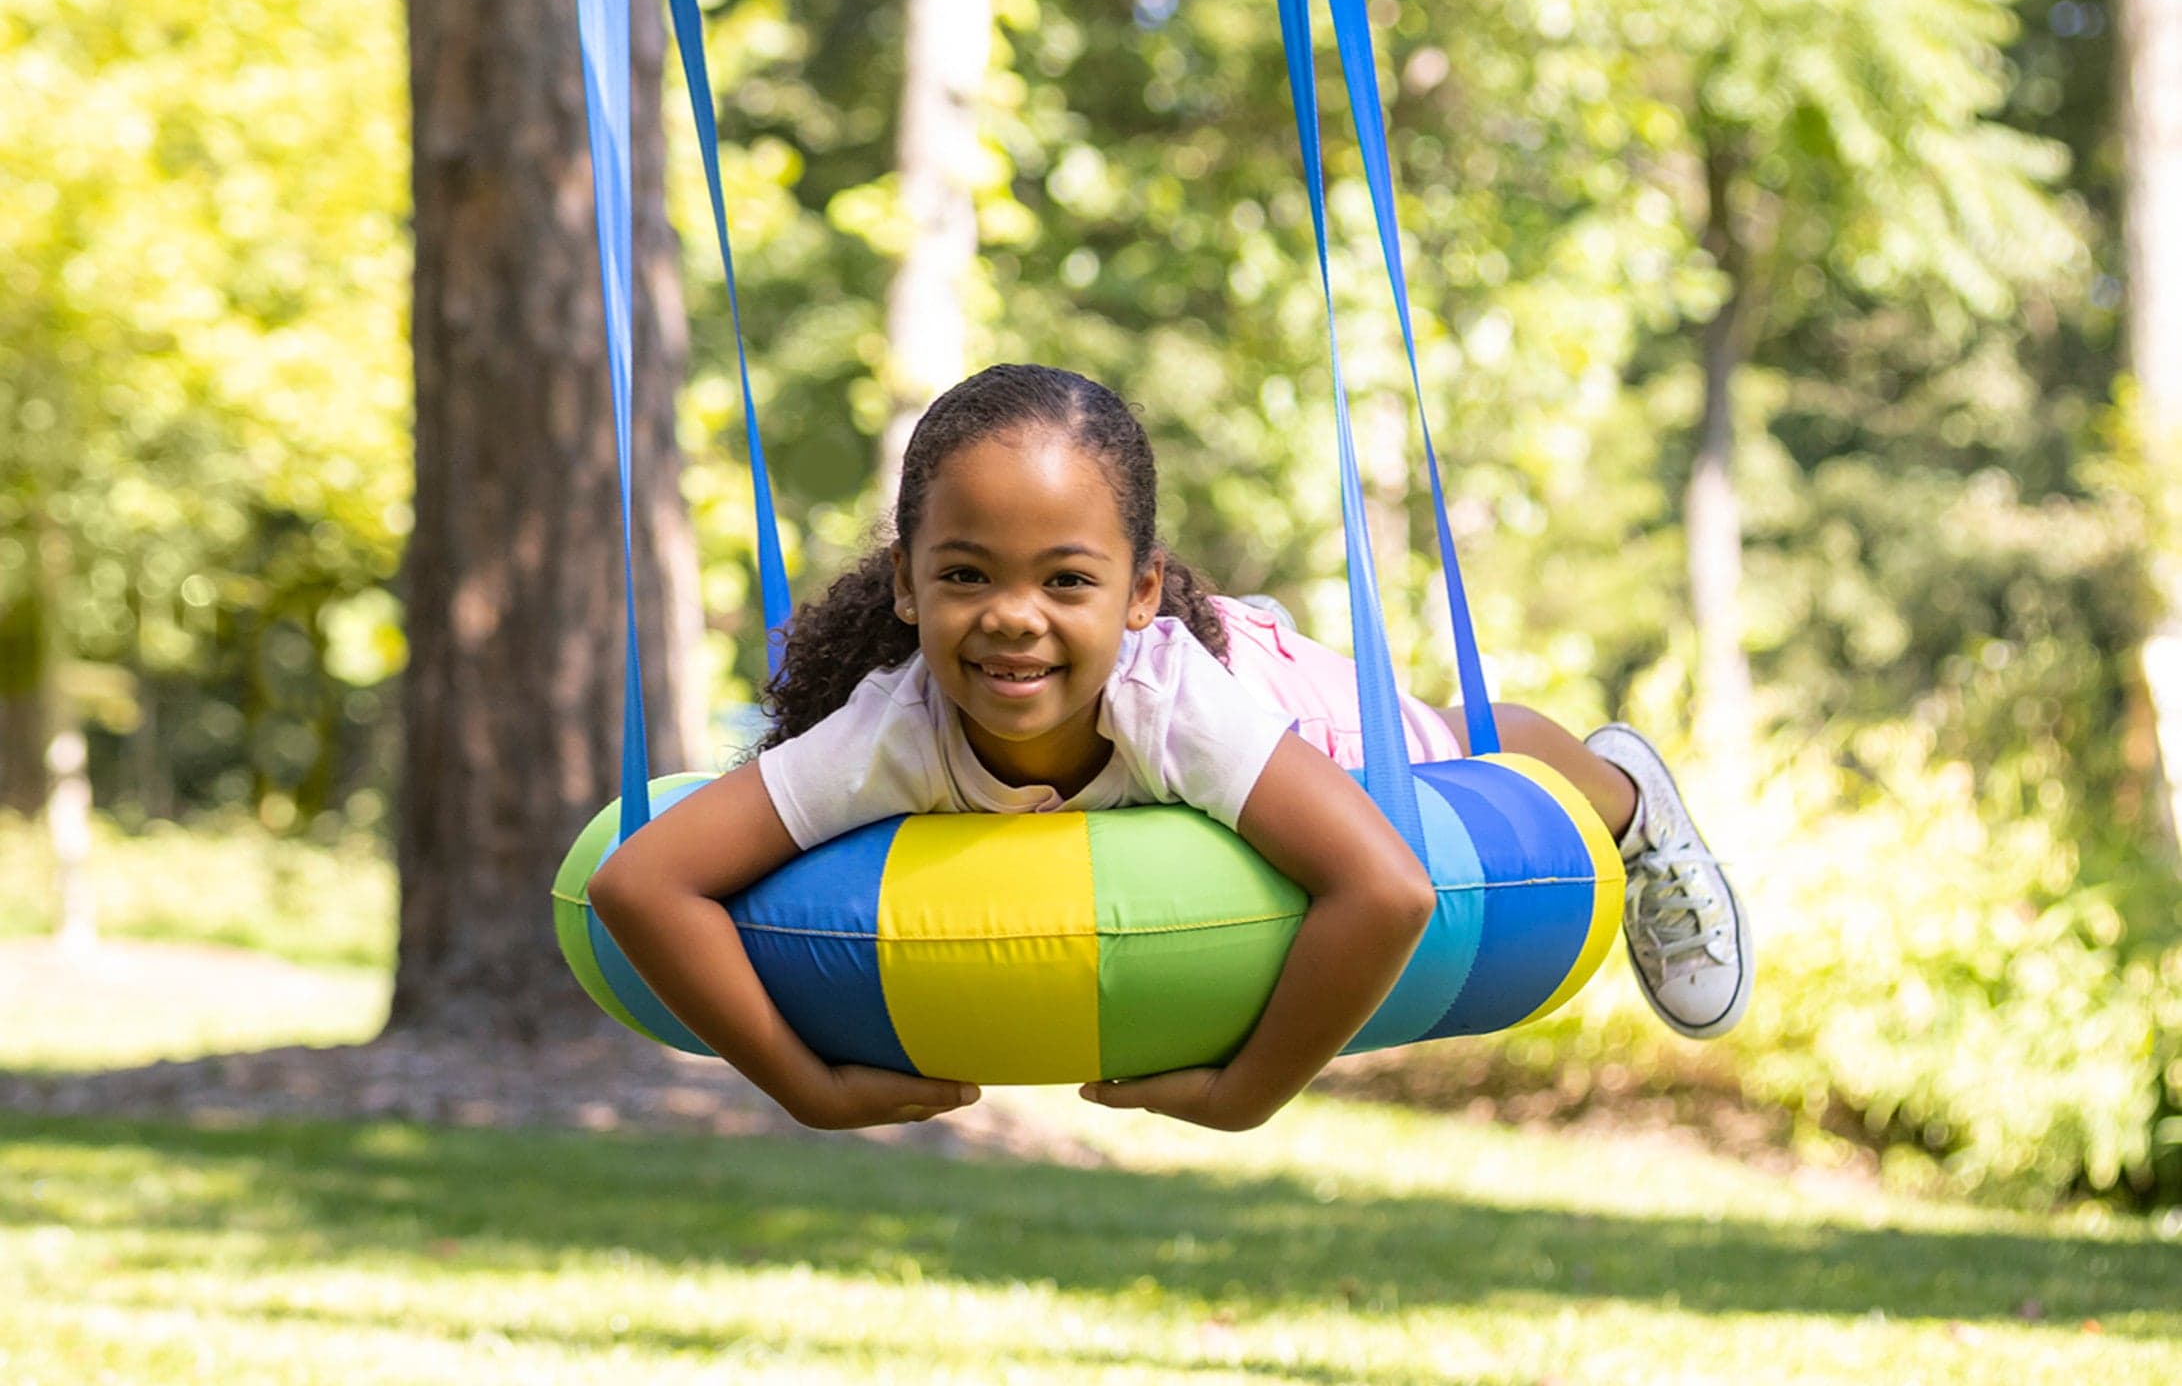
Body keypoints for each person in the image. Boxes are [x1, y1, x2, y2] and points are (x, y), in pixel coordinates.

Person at [588, 364, 1752, 1132]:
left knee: (1451, 740)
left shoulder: (1172, 706)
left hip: (1278, 702)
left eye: (1066, 580)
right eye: (963, 575)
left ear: (1140, 590)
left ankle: (1628, 788)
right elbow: (640, 881)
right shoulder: (892, 730)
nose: (1011, 616)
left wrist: (1248, 1091)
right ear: (904, 582)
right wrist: (805, 1089)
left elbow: (1388, 888)